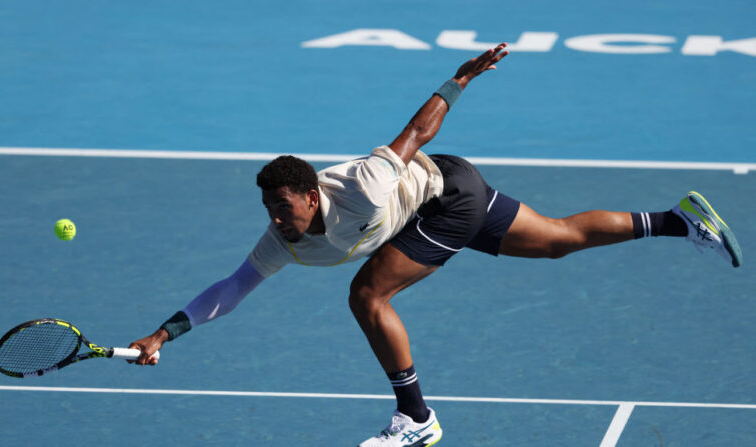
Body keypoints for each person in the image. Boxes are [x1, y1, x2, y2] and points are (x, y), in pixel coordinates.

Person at [128, 43, 742, 447]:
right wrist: (164, 332)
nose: (276, 219)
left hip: (444, 194)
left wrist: (460, 78)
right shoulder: (282, 243)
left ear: (311, 195)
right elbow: (231, 288)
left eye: (283, 207)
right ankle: (678, 220)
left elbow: (417, 130)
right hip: (444, 190)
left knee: (368, 294)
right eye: (268, 209)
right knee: (557, 241)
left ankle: (416, 419)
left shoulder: (362, 187)